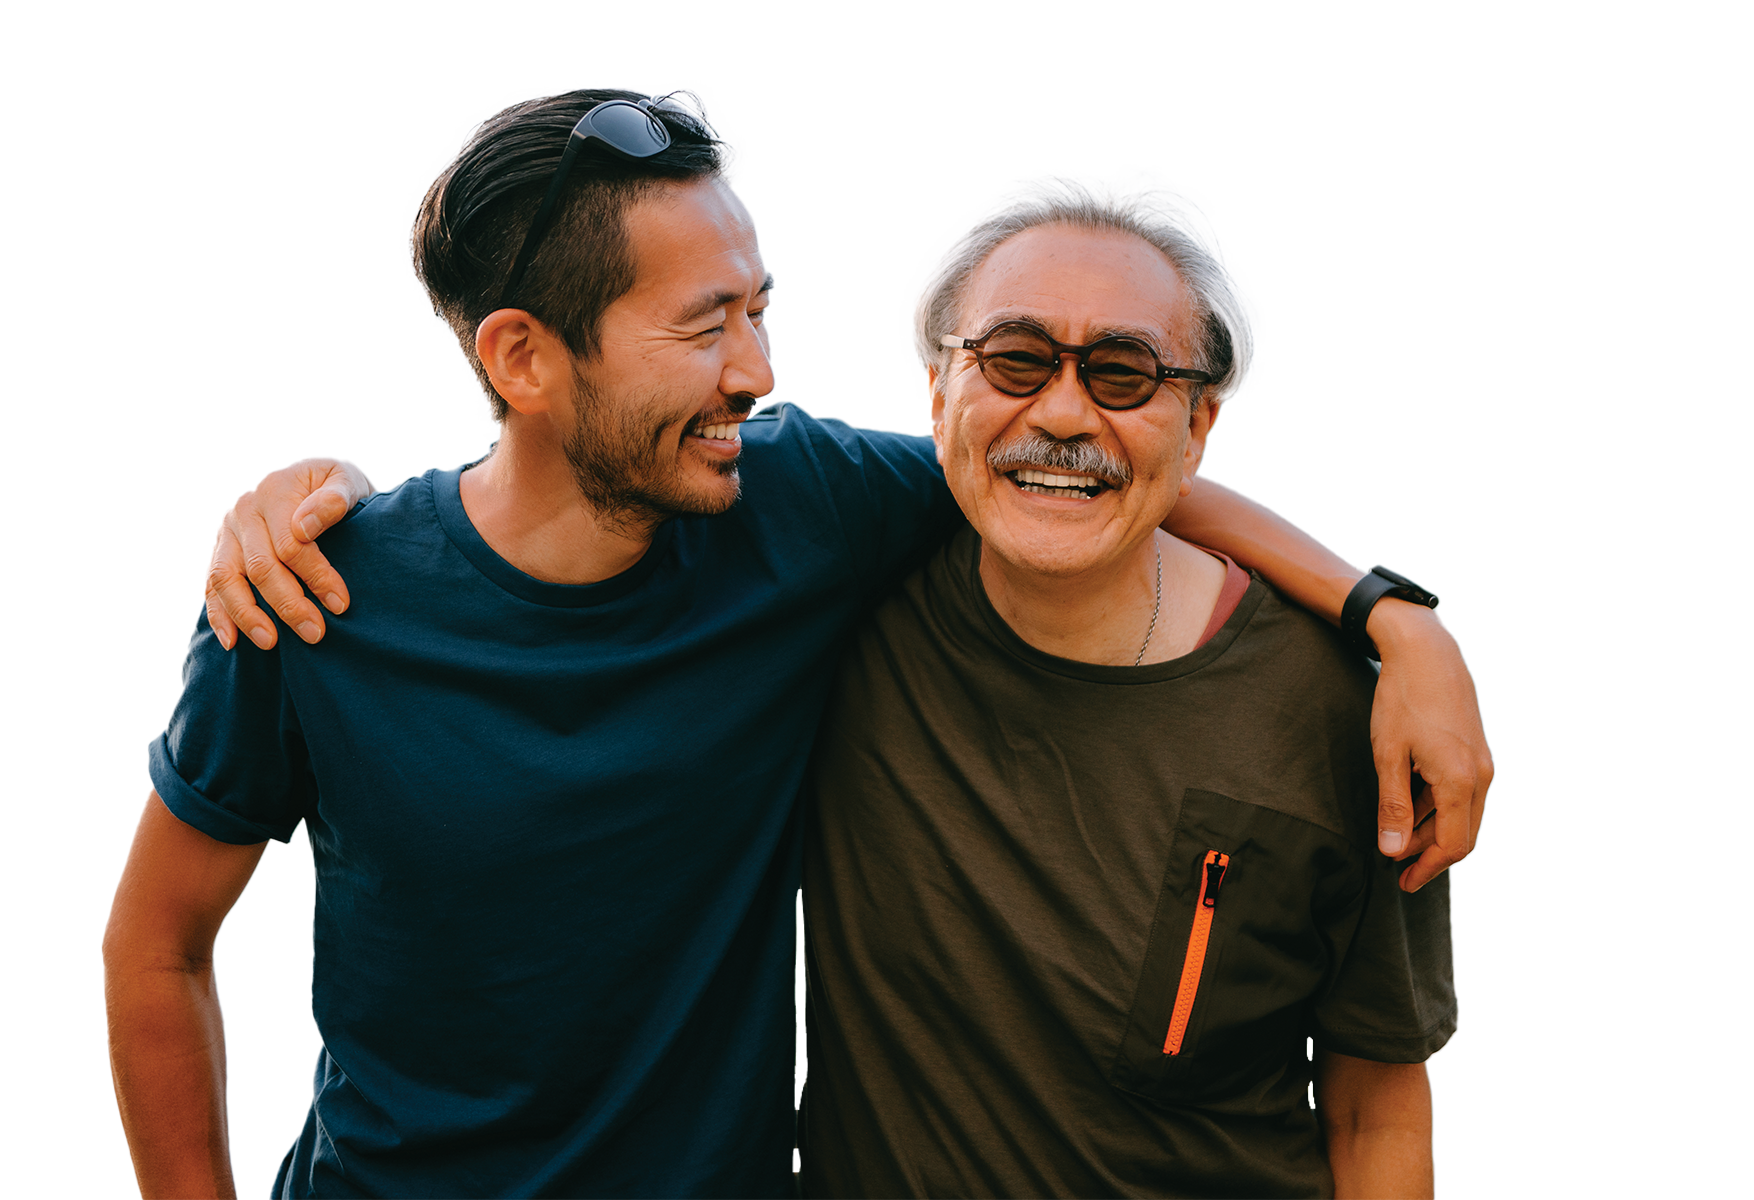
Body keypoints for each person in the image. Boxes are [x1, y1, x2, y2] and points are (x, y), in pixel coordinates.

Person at [104, 87, 1490, 1199]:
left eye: (760, 311)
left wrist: (1388, 618)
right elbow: (158, 943)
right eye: (710, 327)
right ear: (524, 358)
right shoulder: (312, 600)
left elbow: (1072, 456)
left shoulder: (796, 506)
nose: (759, 372)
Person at [797, 175, 1453, 1199]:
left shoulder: (1335, 713)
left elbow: (1375, 1113)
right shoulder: (838, 601)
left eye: (1124, 373)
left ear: (1197, 427)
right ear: (938, 393)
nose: (1060, 411)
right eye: (1014, 359)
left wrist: (1398, 626)